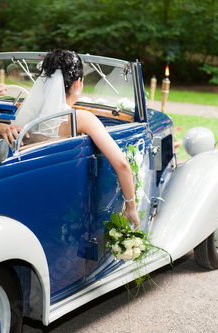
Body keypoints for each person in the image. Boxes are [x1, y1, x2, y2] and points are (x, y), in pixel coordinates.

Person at [15, 49, 140, 229]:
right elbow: (121, 164)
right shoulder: (81, 118)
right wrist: (131, 207)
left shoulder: (29, 115)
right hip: (66, 195)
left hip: (29, 189)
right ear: (78, 84)